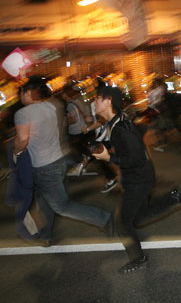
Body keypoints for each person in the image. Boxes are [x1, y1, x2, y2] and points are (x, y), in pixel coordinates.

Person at [92, 86, 181, 273]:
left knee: (124, 222)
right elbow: (135, 142)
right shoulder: (117, 122)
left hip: (139, 178)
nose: (94, 102)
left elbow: (136, 158)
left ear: (108, 101)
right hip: (140, 176)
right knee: (138, 216)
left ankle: (138, 258)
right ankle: (174, 196)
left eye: (97, 98)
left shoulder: (120, 127)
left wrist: (110, 158)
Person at [14, 76, 113, 247]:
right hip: (57, 159)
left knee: (61, 206)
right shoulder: (52, 106)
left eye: (22, 92)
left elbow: (22, 140)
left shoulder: (23, 113)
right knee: (43, 199)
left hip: (44, 165)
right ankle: (46, 235)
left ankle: (103, 218)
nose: (20, 96)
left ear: (29, 93)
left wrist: (15, 152)